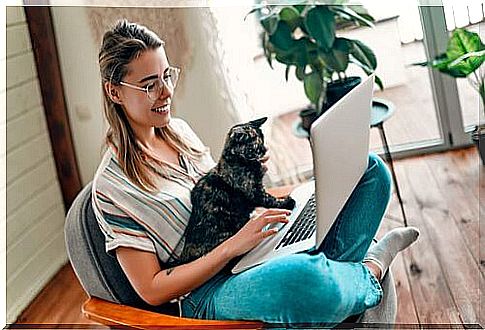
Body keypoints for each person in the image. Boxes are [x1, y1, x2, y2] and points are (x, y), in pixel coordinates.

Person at [92, 19, 420, 327]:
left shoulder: (178, 131)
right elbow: (151, 289)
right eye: (150, 85)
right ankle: (368, 271)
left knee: (371, 171)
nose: (166, 92)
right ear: (114, 92)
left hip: (249, 250)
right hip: (207, 294)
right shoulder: (113, 188)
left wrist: (250, 186)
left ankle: (326, 288)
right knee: (302, 279)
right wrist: (233, 246)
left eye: (167, 76)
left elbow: (220, 197)